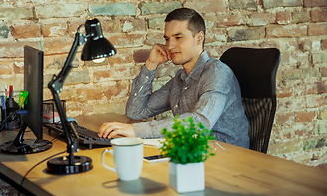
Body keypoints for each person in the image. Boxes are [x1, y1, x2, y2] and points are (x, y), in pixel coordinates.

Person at [98, 8, 250, 148]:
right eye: (167, 39)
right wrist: (151, 64)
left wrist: (136, 130)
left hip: (225, 157)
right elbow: (135, 112)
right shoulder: (180, 79)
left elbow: (199, 123)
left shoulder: (217, 72)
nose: (170, 46)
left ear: (199, 38)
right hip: (189, 152)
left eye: (178, 37)